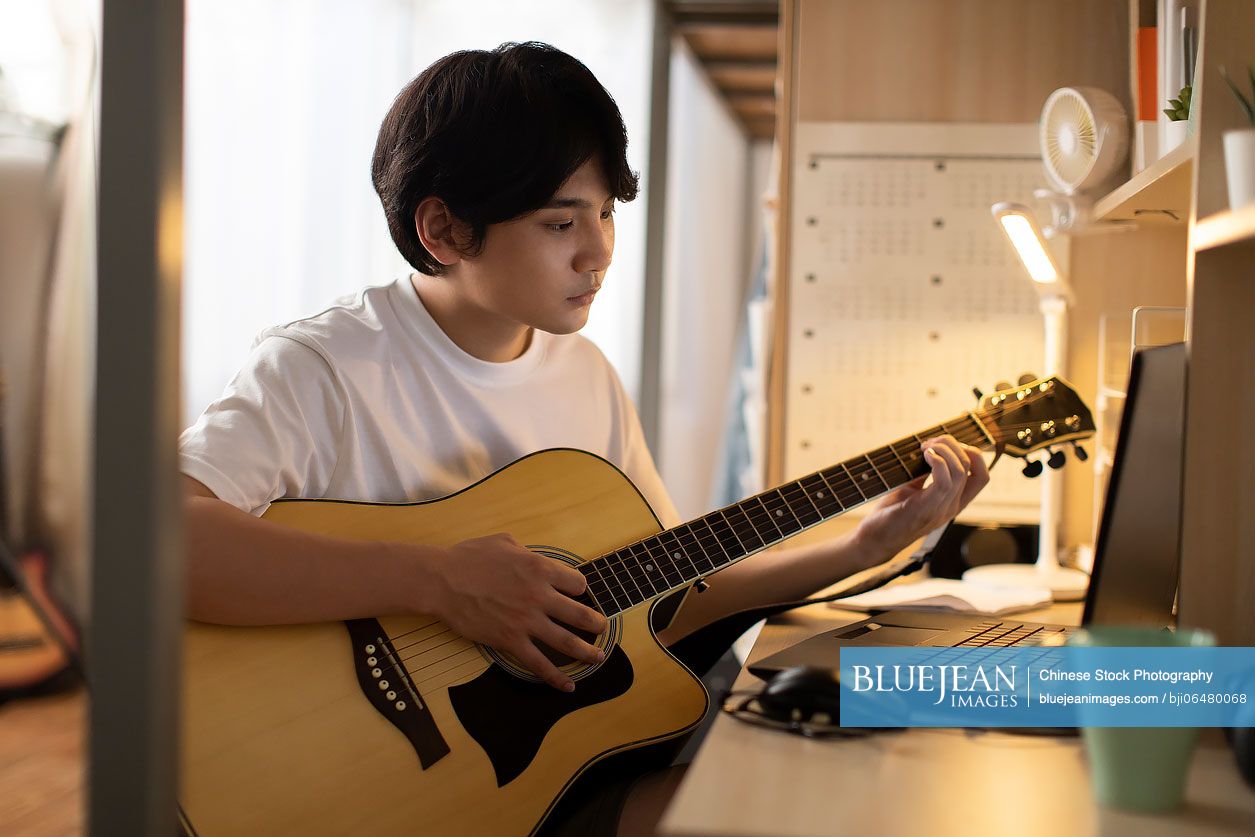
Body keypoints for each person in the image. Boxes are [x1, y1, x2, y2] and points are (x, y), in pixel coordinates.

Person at [180, 41, 989, 837]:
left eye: (605, 212)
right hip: (358, 792)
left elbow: (669, 590)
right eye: (560, 220)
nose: (598, 249)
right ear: (443, 230)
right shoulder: (324, 365)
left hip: (530, 783)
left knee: (852, 770)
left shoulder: (585, 373)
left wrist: (861, 546)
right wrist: (436, 579)